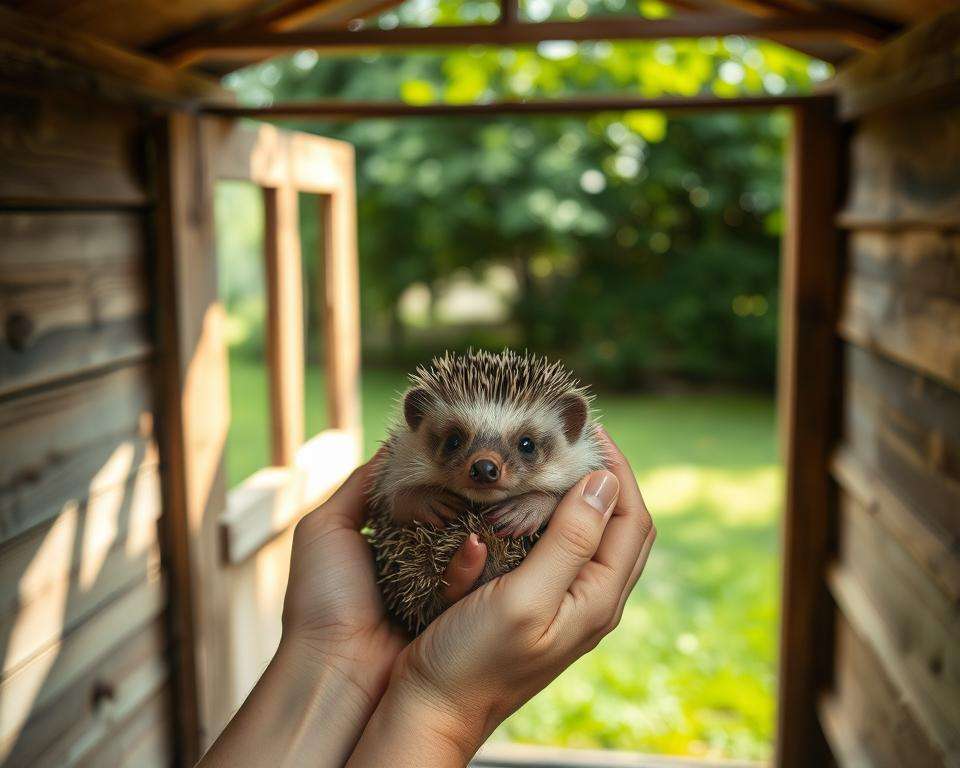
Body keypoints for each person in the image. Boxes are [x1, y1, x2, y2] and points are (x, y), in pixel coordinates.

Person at [198, 429, 655, 767]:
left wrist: (331, 657)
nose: (486, 465)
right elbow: (392, 501)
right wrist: (443, 705)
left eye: (526, 447)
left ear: (570, 431)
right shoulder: (406, 470)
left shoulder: (567, 471)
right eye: (456, 442)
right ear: (419, 424)